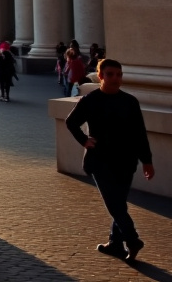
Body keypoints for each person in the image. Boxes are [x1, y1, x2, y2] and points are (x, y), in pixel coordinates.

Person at [65, 59, 155, 261]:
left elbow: (139, 134)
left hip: (126, 161)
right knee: (115, 204)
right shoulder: (90, 100)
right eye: (110, 74)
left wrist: (147, 161)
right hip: (100, 161)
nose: (116, 78)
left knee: (118, 203)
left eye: (119, 74)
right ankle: (132, 239)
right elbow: (71, 122)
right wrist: (84, 140)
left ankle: (116, 244)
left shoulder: (130, 101)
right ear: (100, 76)